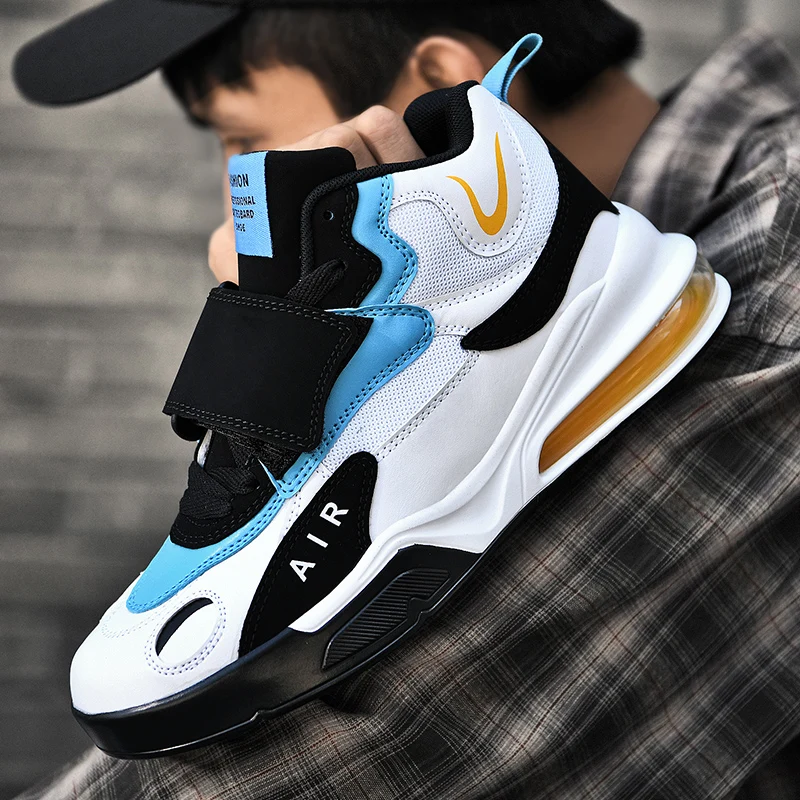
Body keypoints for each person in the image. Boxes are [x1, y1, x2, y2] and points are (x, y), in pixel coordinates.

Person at [12, 1, 800, 798]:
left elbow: (406, 735)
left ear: (442, 83)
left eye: (244, 141)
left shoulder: (780, 287)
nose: (228, 205)